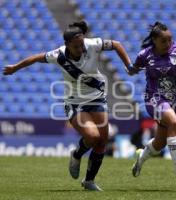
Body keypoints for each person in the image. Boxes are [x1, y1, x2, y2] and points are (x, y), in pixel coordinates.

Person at [3, 21, 133, 191]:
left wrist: (128, 65)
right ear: (67, 45)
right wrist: (15, 68)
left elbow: (117, 44)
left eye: (81, 45)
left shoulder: (92, 44)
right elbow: (35, 58)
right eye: (76, 46)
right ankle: (77, 154)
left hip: (97, 98)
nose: (80, 49)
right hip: (75, 102)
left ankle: (89, 181)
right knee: (93, 137)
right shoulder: (58, 55)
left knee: (102, 142)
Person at [125, 21, 176, 179]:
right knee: (174, 123)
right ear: (154, 40)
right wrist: (130, 69)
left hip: (174, 101)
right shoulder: (145, 55)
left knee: (159, 144)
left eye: (170, 39)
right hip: (153, 98)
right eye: (164, 41)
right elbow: (133, 70)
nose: (168, 43)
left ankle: (140, 159)